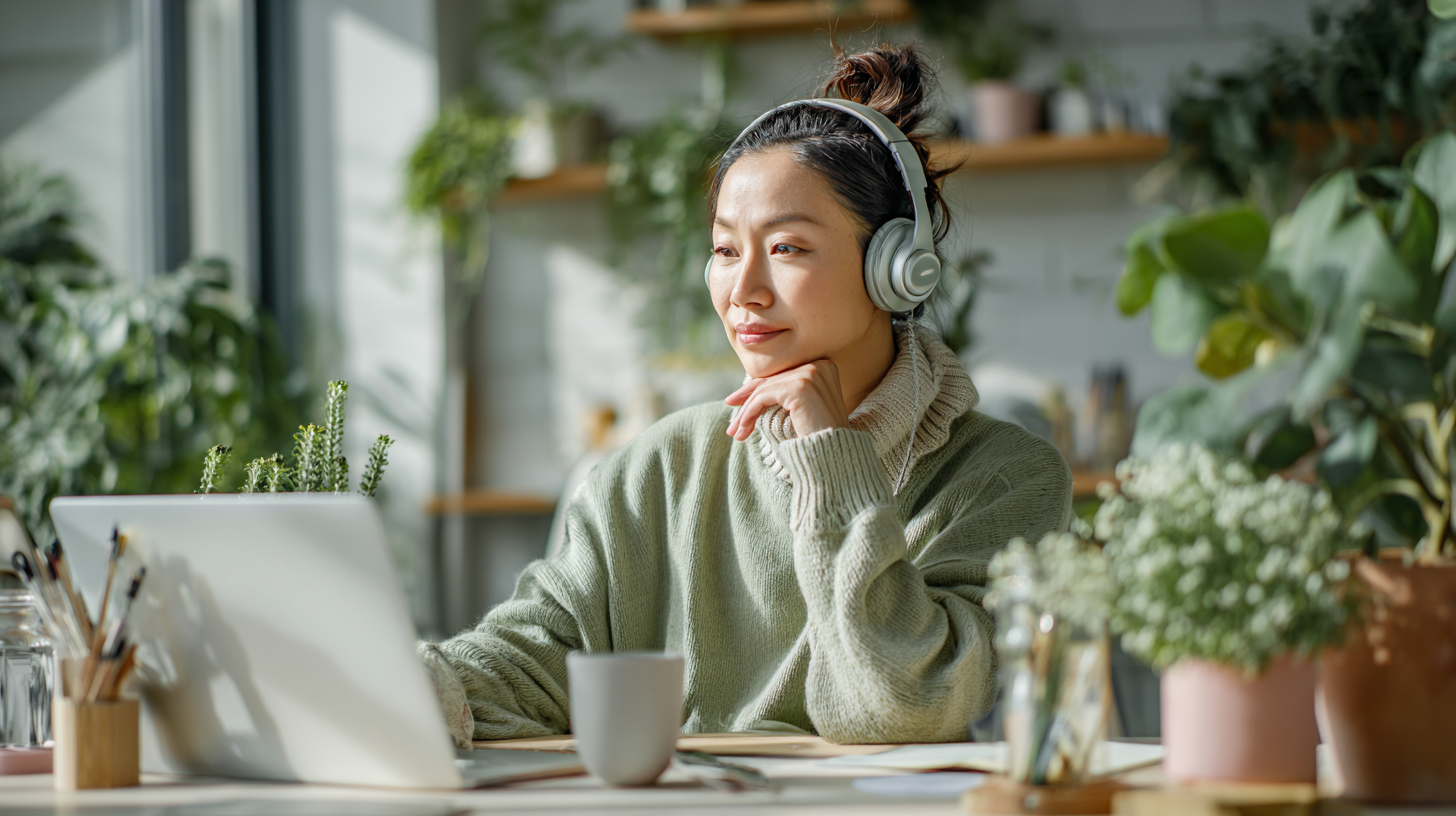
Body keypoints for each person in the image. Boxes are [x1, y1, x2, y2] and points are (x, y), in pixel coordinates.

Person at [420, 43, 1072, 749]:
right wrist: (417, 683)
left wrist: (831, 458)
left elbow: (898, 705)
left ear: (895, 268)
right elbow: (530, 659)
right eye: (726, 250)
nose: (744, 291)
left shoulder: (1010, 479)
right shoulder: (662, 466)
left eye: (786, 248)